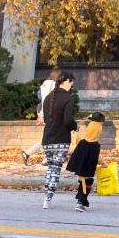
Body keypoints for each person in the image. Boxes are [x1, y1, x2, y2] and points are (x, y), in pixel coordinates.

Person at [39, 70, 78, 209]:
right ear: (67, 81)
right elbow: (68, 121)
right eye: (72, 82)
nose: (72, 85)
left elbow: (46, 119)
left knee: (50, 168)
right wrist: (75, 126)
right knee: (56, 169)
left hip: (47, 139)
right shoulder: (68, 98)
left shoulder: (49, 97)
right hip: (61, 139)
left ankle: (46, 194)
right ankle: (48, 198)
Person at [65, 112, 106, 212]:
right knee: (87, 183)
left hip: (80, 168)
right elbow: (97, 157)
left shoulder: (83, 142)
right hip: (87, 170)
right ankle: (80, 202)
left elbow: (75, 149)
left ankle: (81, 202)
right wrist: (103, 163)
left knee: (82, 183)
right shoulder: (95, 146)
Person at [20, 67, 60, 164]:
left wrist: (41, 114)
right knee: (51, 137)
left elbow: (43, 100)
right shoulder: (52, 84)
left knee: (49, 137)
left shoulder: (45, 84)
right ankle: (39, 156)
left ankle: (37, 156)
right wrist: (42, 115)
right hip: (49, 114)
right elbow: (47, 100)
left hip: (45, 113)